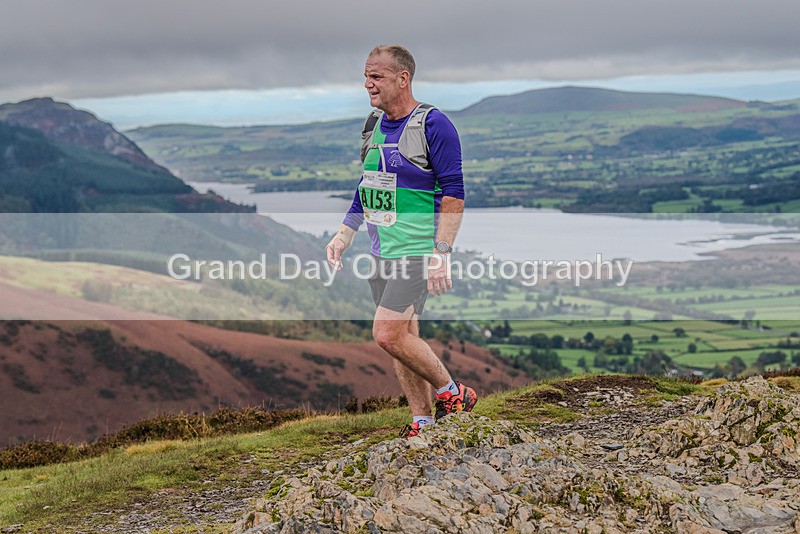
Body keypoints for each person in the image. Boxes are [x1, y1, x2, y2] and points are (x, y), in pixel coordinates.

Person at [326, 45, 476, 439]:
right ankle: (422, 421)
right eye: (366, 75)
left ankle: (453, 392)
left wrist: (441, 253)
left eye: (376, 76)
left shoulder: (433, 124)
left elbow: (454, 193)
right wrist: (345, 234)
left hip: (415, 251)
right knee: (403, 340)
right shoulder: (373, 125)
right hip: (381, 252)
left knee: (386, 334)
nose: (367, 84)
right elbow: (367, 186)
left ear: (402, 78)